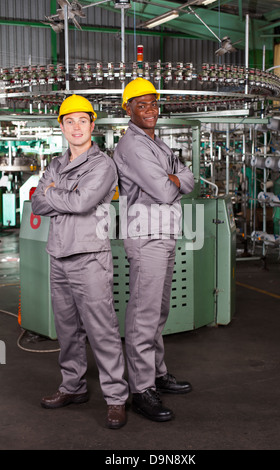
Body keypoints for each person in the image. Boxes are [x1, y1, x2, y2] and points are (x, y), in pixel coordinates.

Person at [31, 94, 128, 429]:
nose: (76, 127)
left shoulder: (102, 165)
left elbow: (83, 203)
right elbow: (36, 205)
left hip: (89, 258)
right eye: (69, 121)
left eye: (82, 121)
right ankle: (72, 387)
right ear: (61, 126)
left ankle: (116, 397)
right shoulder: (56, 165)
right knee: (68, 331)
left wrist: (53, 194)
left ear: (92, 125)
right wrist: (59, 196)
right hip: (58, 255)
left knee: (102, 330)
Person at [113, 78, 195, 422]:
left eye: (153, 104)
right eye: (141, 105)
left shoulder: (155, 142)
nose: (150, 111)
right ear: (128, 109)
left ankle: (157, 373)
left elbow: (189, 179)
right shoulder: (132, 146)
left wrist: (176, 178)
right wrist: (174, 178)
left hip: (164, 232)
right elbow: (166, 189)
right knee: (143, 315)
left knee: (158, 311)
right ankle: (141, 388)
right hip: (146, 235)